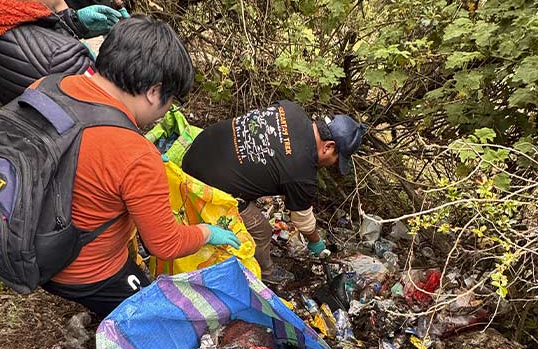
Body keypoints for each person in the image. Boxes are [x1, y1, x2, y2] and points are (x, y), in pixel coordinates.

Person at [39, 16, 240, 318]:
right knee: (156, 319)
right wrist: (206, 232)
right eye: (169, 100)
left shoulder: (48, 85)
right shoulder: (135, 153)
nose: (166, 110)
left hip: (30, 240)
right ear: (154, 91)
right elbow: (166, 245)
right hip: (84, 271)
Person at [182, 100, 366, 283]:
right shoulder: (302, 172)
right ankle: (265, 275)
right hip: (205, 184)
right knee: (262, 231)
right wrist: (315, 242)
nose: (334, 164)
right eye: (337, 158)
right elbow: (302, 221)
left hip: (197, 151)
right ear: (328, 146)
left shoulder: (291, 109)